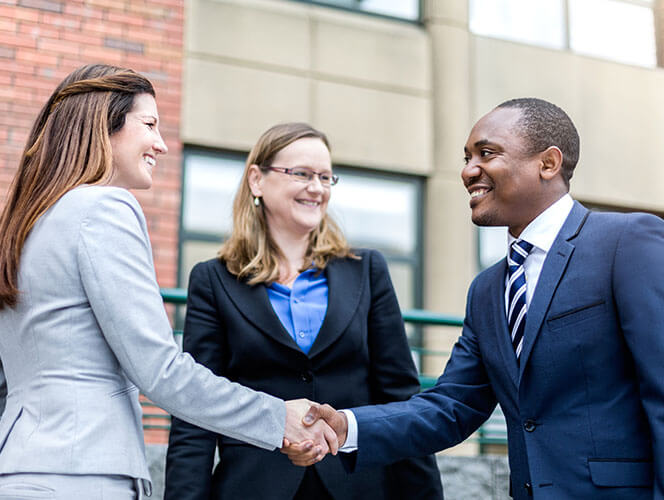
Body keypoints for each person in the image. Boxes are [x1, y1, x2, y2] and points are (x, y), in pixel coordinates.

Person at [290, 98, 664, 499]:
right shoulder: (487, 289)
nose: (468, 171)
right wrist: (346, 426)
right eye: (467, 157)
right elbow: (452, 405)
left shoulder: (627, 242)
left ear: (548, 163)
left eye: (486, 153)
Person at [0, 64, 336, 500]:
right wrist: (277, 417)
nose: (160, 143)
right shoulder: (105, 209)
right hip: (82, 476)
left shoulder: (24, 226)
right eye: (150, 124)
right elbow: (159, 370)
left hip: (20, 469)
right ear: (106, 125)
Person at [164, 122, 443, 499]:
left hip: (360, 487)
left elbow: (400, 400)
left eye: (326, 177)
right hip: (252, 488)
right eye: (302, 174)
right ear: (257, 180)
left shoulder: (367, 271)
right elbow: (195, 412)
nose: (316, 188)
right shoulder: (213, 280)